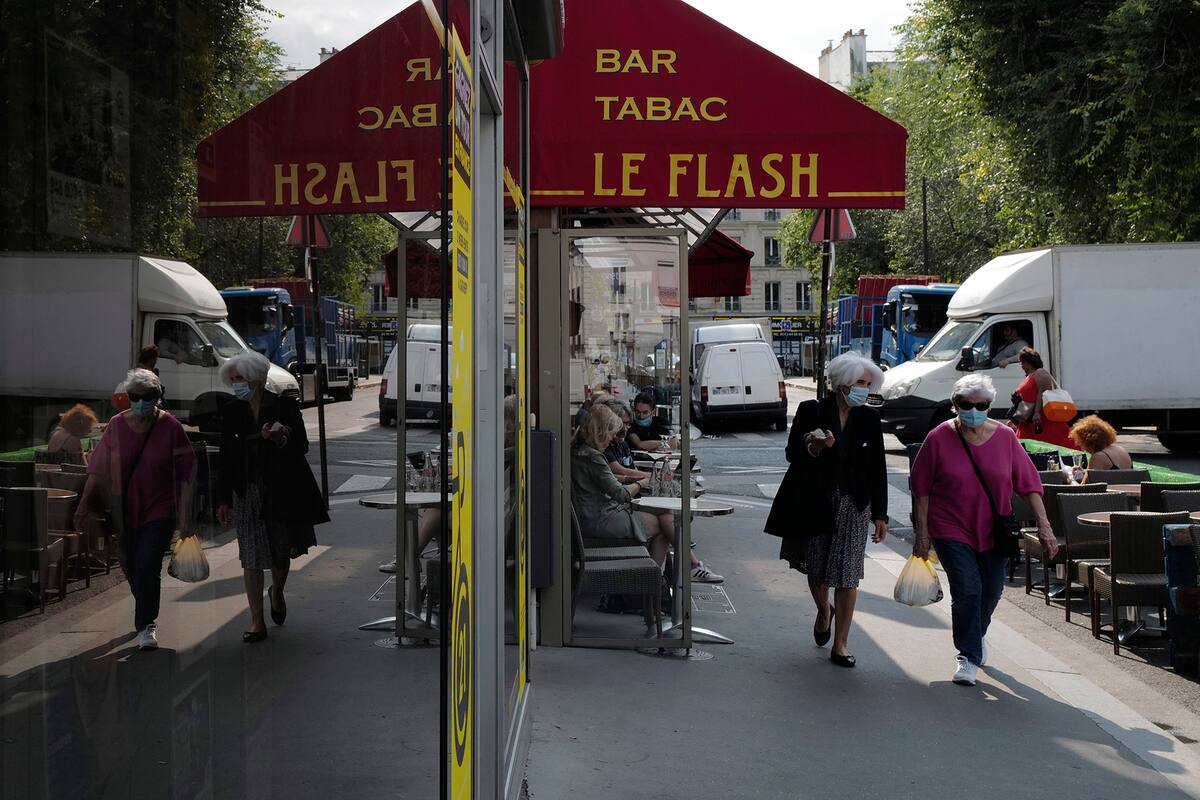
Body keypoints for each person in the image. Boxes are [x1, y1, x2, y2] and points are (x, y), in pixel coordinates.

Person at [911, 373, 1055, 686]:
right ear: (955, 405)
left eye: (982, 405)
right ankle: (968, 656)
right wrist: (922, 535)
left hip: (994, 528)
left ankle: (975, 636)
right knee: (967, 589)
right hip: (950, 526)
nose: (974, 410)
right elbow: (920, 488)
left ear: (990, 405)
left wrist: (1045, 526)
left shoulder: (1005, 438)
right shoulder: (938, 437)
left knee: (991, 590)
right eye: (967, 404)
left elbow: (1029, 484)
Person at [764, 352, 888, 668]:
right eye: (859, 383)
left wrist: (880, 515)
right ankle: (824, 610)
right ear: (842, 384)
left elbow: (877, 468)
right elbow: (792, 453)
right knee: (816, 568)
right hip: (816, 499)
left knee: (848, 575)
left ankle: (841, 644)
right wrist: (815, 445)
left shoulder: (869, 419)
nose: (864, 388)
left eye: (867, 383)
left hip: (854, 503)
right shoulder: (812, 410)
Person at [74, 369, 195, 651]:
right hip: (124, 509)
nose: (141, 402)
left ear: (157, 397)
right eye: (135, 397)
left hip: (160, 507)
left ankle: (146, 624)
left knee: (147, 564)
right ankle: (145, 602)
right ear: (128, 397)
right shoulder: (116, 425)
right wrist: (83, 505)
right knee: (129, 563)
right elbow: (98, 468)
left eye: (148, 397)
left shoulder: (170, 427)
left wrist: (187, 516)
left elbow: (188, 472)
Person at [216, 351, 327, 642]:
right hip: (246, 490)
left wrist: (282, 436)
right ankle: (256, 621)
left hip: (279, 488)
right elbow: (226, 457)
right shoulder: (231, 410)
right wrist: (223, 499)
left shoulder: (283, 405)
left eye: (242, 378)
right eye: (233, 378)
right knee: (250, 556)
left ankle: (276, 591)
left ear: (257, 379)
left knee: (280, 551)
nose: (237, 383)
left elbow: (301, 445)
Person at [573, 405, 722, 583]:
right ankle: (657, 581)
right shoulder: (594, 457)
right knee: (669, 522)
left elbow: (605, 481)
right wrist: (641, 483)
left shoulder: (579, 452)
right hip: (600, 518)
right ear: (600, 431)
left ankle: (655, 582)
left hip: (592, 515)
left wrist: (629, 480)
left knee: (666, 521)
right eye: (611, 432)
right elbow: (621, 494)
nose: (613, 437)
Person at [1009, 347, 1073, 449]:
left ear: (1028, 361)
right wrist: (1015, 419)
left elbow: (1042, 392)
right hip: (1028, 422)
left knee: (1051, 445)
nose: (1021, 365)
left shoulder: (1040, 373)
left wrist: (1037, 412)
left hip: (1041, 420)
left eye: (1022, 362)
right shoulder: (1030, 376)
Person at [1070, 415, 1133, 480]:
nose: (1081, 447)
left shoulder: (1098, 457)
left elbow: (1085, 488)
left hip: (1111, 489)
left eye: (1081, 442)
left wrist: (1069, 479)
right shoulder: (1120, 449)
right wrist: (1084, 473)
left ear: (1088, 442)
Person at [601, 399, 650, 484]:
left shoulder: (623, 444)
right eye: (621, 424)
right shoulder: (603, 445)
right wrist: (654, 476)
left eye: (628, 424)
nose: (625, 429)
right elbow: (621, 471)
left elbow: (633, 469)